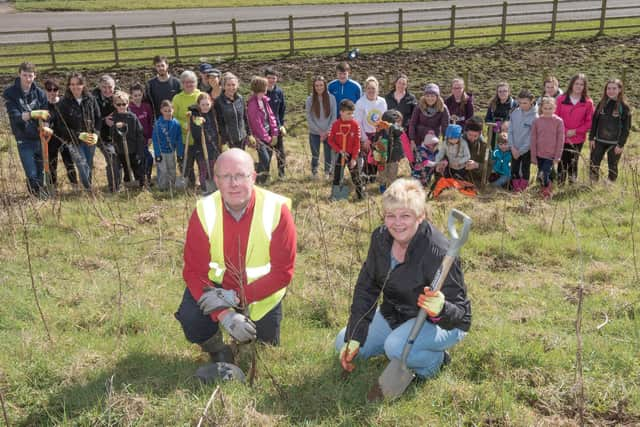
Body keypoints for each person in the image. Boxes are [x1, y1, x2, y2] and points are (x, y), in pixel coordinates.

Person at [176, 148, 296, 382]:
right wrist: (225, 315)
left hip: (263, 293)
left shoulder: (276, 210)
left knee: (266, 346)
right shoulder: (204, 210)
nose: (233, 184)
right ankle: (217, 348)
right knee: (191, 317)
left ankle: (248, 342)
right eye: (225, 176)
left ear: (253, 177)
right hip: (215, 289)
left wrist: (239, 298)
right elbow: (194, 270)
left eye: (240, 175)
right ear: (216, 179)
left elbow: (283, 272)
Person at [335, 178, 470, 379]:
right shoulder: (380, 239)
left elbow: (459, 312)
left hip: (442, 323)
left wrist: (441, 309)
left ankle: (436, 362)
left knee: (395, 347)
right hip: (397, 314)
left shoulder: (438, 252)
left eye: (405, 215)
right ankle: (403, 346)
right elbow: (367, 287)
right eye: (390, 215)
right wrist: (355, 335)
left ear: (420, 216)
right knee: (342, 341)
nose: (397, 223)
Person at [3, 62, 49, 196]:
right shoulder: (10, 93)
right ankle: (35, 195)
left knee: (42, 171)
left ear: (35, 76)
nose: (27, 79)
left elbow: (46, 114)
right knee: (31, 172)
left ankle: (39, 197)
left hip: (39, 137)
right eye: (24, 75)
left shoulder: (40, 93)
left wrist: (46, 127)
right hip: (23, 138)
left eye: (30, 76)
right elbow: (15, 116)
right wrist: (32, 114)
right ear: (19, 74)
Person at [57, 72, 101, 191]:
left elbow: (98, 118)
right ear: (69, 86)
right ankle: (88, 188)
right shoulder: (63, 103)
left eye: (78, 84)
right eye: (72, 84)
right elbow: (61, 126)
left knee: (89, 164)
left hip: (90, 138)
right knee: (82, 164)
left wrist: (96, 134)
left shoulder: (91, 99)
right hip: (73, 140)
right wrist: (78, 135)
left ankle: (88, 186)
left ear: (83, 85)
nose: (75, 87)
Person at [589, 79, 632, 183]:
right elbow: (594, 121)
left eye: (614, 88)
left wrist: (620, 145)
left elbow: (626, 128)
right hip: (599, 140)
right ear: (605, 90)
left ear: (620, 90)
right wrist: (591, 138)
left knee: (612, 164)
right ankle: (592, 183)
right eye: (609, 88)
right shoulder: (602, 103)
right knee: (593, 163)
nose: (611, 91)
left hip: (615, 143)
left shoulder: (624, 107)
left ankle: (610, 184)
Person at [555, 73, 594, 185]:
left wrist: (575, 131)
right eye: (576, 83)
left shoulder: (588, 102)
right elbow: (556, 117)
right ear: (571, 84)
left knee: (573, 161)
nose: (578, 86)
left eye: (581, 84)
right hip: (562, 136)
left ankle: (572, 184)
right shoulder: (561, 99)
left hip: (578, 138)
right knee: (562, 161)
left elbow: (589, 122)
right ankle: (560, 184)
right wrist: (565, 131)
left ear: (584, 87)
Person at [44, 78, 78, 189]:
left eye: (55, 89)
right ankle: (53, 187)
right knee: (51, 163)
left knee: (69, 162)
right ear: (46, 91)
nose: (52, 92)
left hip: (64, 138)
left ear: (59, 90)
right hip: (50, 139)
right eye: (49, 90)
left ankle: (75, 185)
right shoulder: (43, 105)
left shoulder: (64, 103)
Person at [328, 99, 365, 200]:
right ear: (341, 112)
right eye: (349, 113)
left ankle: (361, 195)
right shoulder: (335, 125)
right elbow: (330, 140)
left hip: (352, 155)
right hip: (341, 154)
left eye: (352, 113)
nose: (351, 116)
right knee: (337, 175)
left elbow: (357, 143)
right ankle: (335, 195)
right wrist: (340, 150)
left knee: (356, 176)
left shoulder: (355, 125)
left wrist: (353, 159)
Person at [355, 76, 387, 183]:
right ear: (365, 89)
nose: (371, 90)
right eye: (369, 88)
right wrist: (364, 139)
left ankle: (373, 177)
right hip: (366, 135)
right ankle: (365, 177)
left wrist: (381, 135)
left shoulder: (382, 102)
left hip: (379, 134)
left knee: (377, 156)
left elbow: (385, 119)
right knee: (367, 157)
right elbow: (358, 122)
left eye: (373, 88)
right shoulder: (360, 103)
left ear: (377, 89)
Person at [530, 96, 564, 199]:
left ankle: (547, 190)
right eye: (545, 108)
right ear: (541, 108)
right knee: (541, 174)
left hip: (551, 154)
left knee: (544, 174)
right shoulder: (537, 121)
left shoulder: (558, 121)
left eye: (550, 108)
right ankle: (544, 190)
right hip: (540, 153)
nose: (548, 111)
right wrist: (533, 156)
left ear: (554, 108)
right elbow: (533, 139)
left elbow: (560, 140)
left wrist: (558, 155)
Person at [111, 90, 146, 189]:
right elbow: (112, 135)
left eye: (124, 104)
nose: (121, 106)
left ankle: (140, 183)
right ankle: (128, 182)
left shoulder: (132, 117)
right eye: (119, 104)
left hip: (133, 148)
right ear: (114, 104)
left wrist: (139, 149)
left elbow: (139, 133)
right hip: (121, 149)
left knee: (136, 166)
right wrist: (114, 127)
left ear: (128, 104)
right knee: (126, 166)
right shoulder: (114, 117)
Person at [247, 76, 279, 184]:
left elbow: (271, 116)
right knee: (264, 159)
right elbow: (256, 124)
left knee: (268, 158)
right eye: (266, 85)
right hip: (259, 137)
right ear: (261, 87)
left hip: (268, 134)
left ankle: (263, 180)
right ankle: (255, 177)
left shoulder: (264, 100)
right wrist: (268, 138)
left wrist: (274, 133)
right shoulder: (252, 104)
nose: (268, 87)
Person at [305, 75, 337, 179]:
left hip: (328, 132)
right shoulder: (310, 99)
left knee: (328, 153)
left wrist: (327, 131)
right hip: (315, 132)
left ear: (325, 86)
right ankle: (314, 172)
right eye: (316, 85)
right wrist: (319, 132)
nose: (319, 87)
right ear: (314, 87)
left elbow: (334, 116)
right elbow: (309, 117)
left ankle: (327, 172)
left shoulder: (331, 98)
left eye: (321, 85)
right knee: (315, 154)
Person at [188, 93, 219, 193]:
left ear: (211, 104)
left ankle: (214, 188)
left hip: (213, 147)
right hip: (201, 149)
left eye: (207, 104)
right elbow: (196, 135)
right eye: (203, 105)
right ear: (198, 105)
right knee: (203, 169)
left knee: (214, 168)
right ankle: (204, 188)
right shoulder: (195, 115)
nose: (205, 107)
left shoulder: (213, 114)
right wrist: (197, 123)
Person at [508, 89, 538, 192]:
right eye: (520, 103)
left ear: (531, 101)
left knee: (525, 169)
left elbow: (532, 137)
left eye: (525, 103)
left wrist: (520, 151)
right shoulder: (514, 113)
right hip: (514, 148)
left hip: (526, 150)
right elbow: (510, 131)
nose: (522, 105)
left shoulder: (535, 117)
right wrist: (512, 147)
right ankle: (516, 190)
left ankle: (523, 189)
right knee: (514, 169)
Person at [151, 100, 183, 191]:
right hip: (161, 152)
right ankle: (162, 187)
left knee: (172, 169)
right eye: (165, 111)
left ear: (173, 110)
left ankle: (171, 185)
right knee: (163, 170)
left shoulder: (176, 124)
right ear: (161, 111)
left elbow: (179, 140)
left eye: (170, 110)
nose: (168, 113)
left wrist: (180, 153)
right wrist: (157, 154)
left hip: (171, 151)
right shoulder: (158, 124)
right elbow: (155, 140)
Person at [408, 83, 450, 149]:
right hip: (419, 138)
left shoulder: (443, 108)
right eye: (427, 96)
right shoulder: (419, 106)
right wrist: (412, 140)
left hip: (433, 139)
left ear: (437, 97)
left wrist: (446, 142)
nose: (430, 98)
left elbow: (445, 126)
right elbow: (413, 124)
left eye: (432, 96)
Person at [215, 73, 250, 149]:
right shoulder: (219, 101)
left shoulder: (240, 98)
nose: (231, 87)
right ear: (224, 86)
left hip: (242, 137)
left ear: (237, 86)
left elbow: (245, 117)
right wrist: (224, 141)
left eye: (233, 85)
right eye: (228, 85)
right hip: (229, 140)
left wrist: (249, 134)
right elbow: (219, 123)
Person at [129, 83, 154, 185]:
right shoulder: (129, 108)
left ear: (142, 94)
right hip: (135, 140)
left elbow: (150, 121)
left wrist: (150, 137)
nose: (137, 97)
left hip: (146, 138)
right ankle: (141, 179)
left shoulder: (147, 107)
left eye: (139, 95)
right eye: (135, 95)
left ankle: (147, 177)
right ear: (131, 96)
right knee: (143, 158)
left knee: (147, 159)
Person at [172, 70, 202, 153]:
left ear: (196, 83)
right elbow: (172, 117)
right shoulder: (177, 98)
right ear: (182, 83)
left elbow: (206, 114)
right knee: (185, 164)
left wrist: (197, 123)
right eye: (186, 82)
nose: (189, 84)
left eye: (192, 82)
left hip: (200, 137)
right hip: (183, 138)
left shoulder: (201, 96)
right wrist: (184, 124)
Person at [265, 68, 287, 178]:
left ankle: (281, 174)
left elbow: (282, 109)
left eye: (273, 78)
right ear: (265, 78)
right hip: (265, 128)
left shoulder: (279, 92)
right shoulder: (261, 92)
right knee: (267, 153)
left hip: (277, 127)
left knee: (280, 152)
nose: (271, 80)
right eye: (269, 78)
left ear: (276, 79)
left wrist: (282, 124)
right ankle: (265, 175)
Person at [485, 82, 518, 149]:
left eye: (505, 91)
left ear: (509, 92)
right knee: (495, 152)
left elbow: (518, 120)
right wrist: (496, 125)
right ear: (497, 92)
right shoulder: (492, 103)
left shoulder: (514, 104)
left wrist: (508, 123)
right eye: (500, 91)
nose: (502, 93)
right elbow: (487, 119)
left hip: (508, 134)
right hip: (493, 134)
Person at [461, 117, 485, 185]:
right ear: (466, 132)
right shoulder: (458, 142)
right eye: (470, 135)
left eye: (475, 136)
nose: (472, 138)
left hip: (475, 180)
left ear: (480, 134)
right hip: (460, 177)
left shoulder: (484, 145)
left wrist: (477, 165)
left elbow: (489, 166)